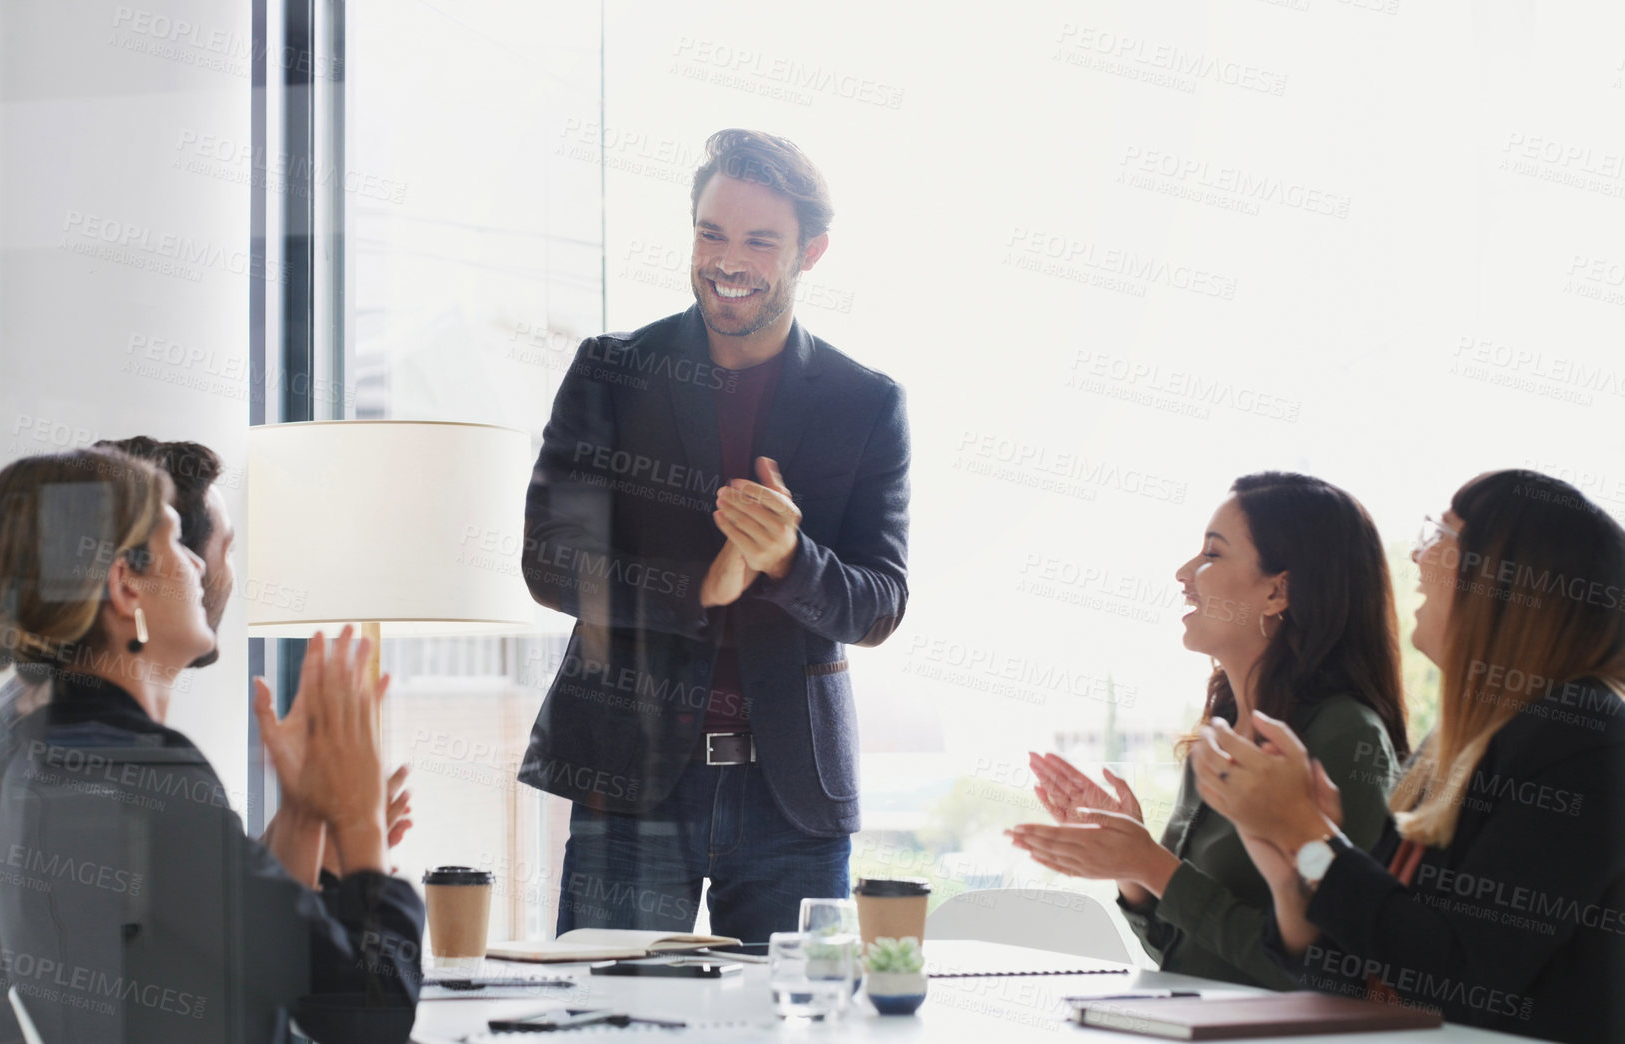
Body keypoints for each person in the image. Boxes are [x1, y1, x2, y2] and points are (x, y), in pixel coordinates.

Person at [517, 128, 910, 943]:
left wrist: (790, 561)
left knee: (790, 1028)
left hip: (791, 800)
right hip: (629, 780)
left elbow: (881, 604)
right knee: (607, 1028)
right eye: (711, 232)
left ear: (813, 251)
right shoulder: (611, 370)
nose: (727, 260)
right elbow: (550, 561)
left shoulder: (864, 402)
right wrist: (703, 583)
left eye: (760, 241)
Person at [0, 446, 422, 1043]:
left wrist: (310, 810)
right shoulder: (148, 779)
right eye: (175, 542)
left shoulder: (55, 747)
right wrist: (360, 824)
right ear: (126, 586)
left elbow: (243, 948)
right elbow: (372, 1014)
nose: (199, 566)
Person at [1191, 470, 1625, 1043]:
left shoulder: (1586, 737)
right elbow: (1364, 971)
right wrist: (1293, 866)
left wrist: (1306, 836)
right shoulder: (1454, 744)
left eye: (1442, 532)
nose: (1419, 556)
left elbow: (1460, 978)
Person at [1009, 472, 1409, 988]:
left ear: (1278, 591)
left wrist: (1152, 865)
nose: (1184, 572)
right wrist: (1129, 862)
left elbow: (1332, 974)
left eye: (1212, 555)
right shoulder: (1220, 738)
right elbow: (1184, 956)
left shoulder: (1343, 734)